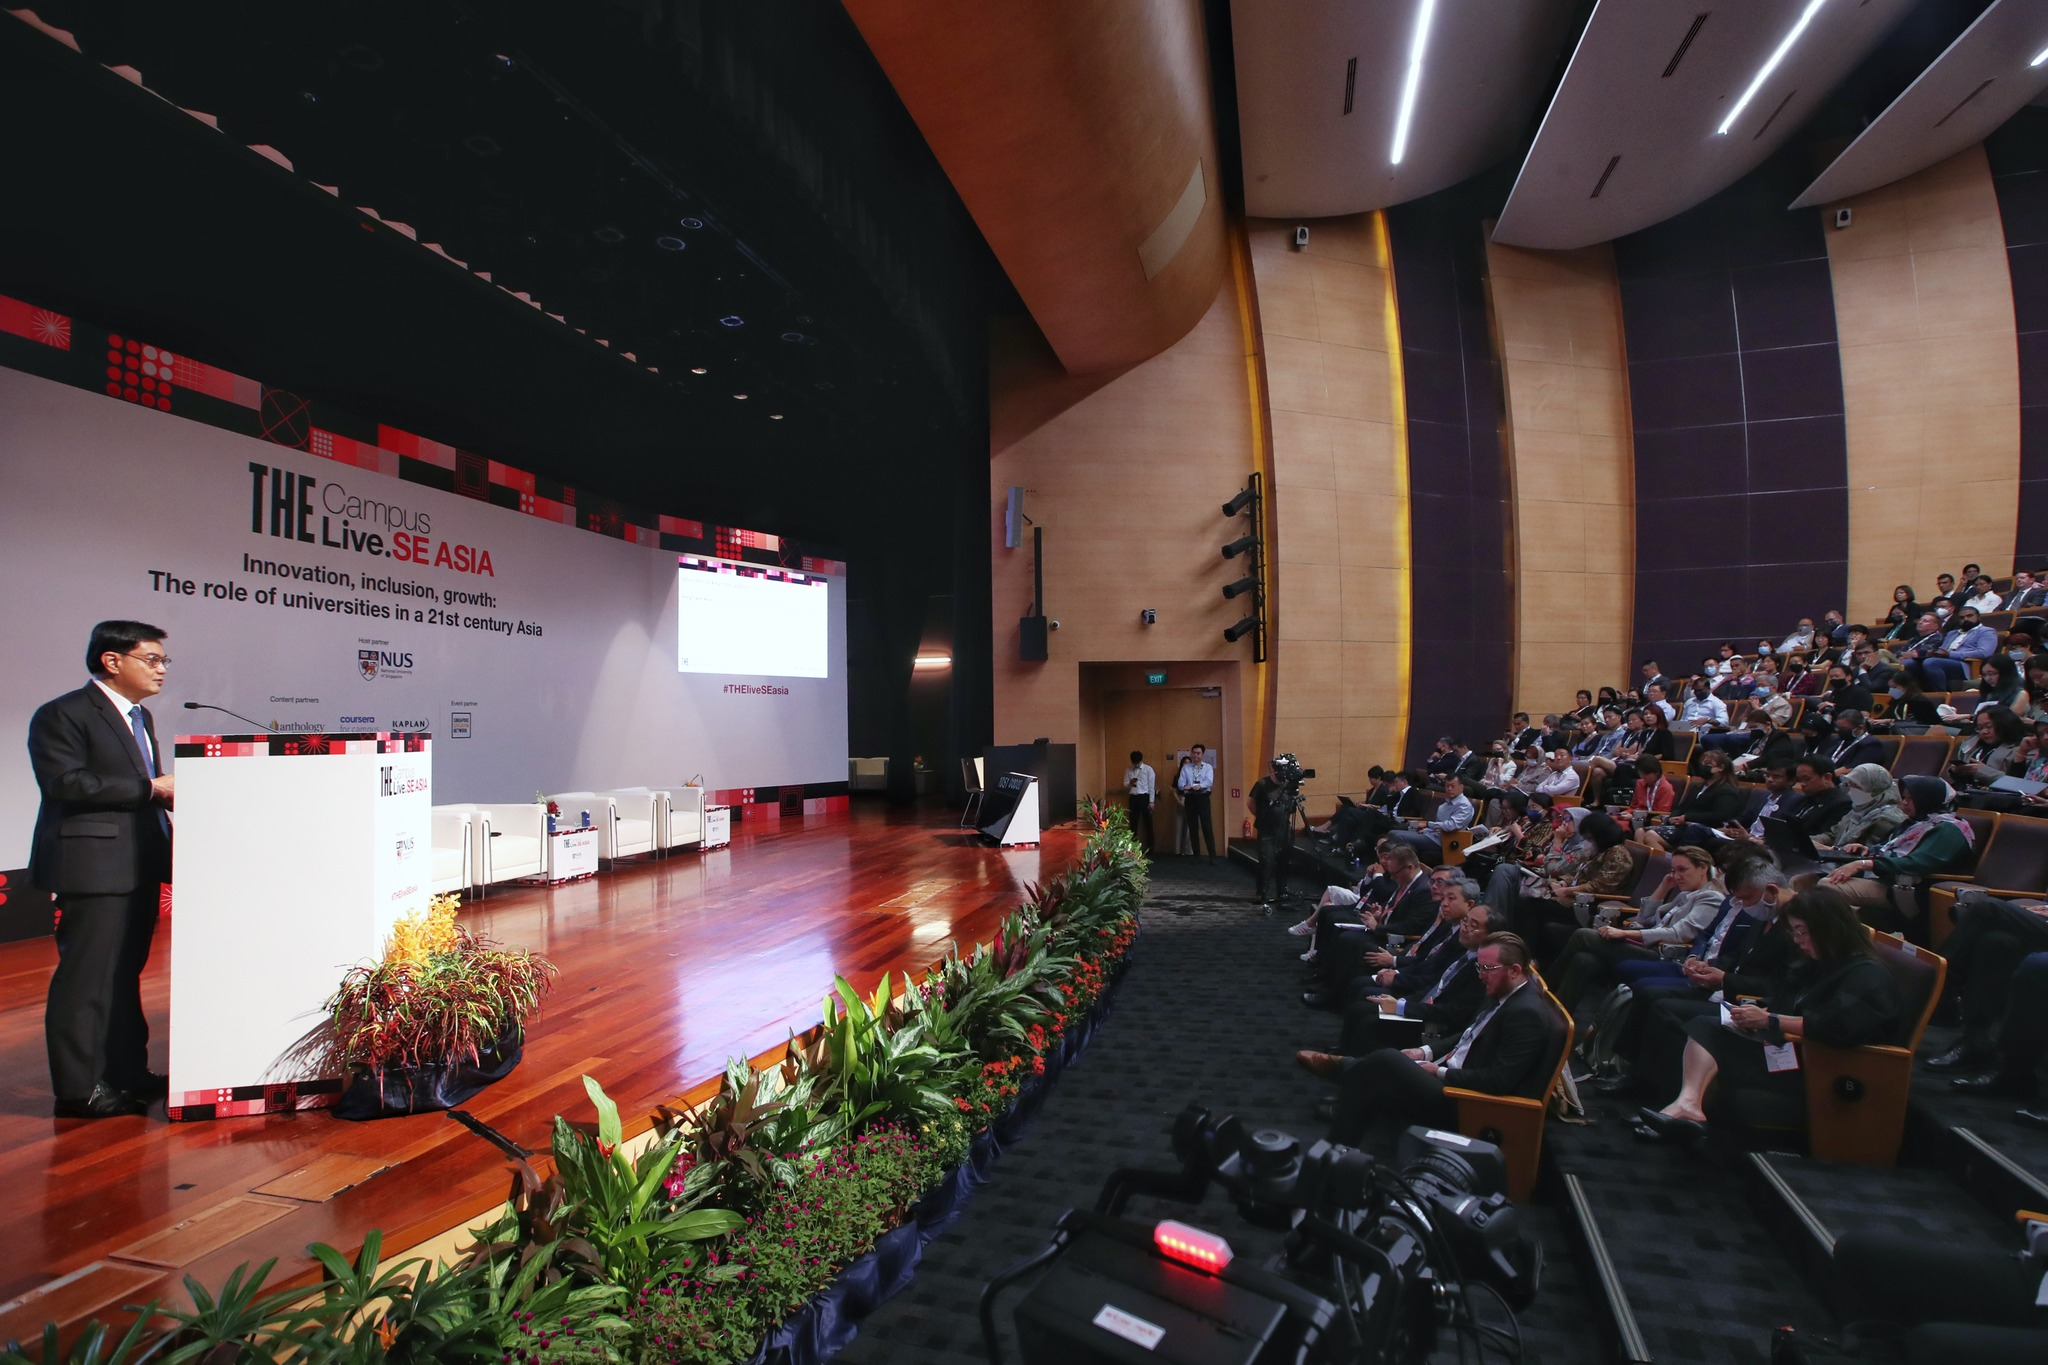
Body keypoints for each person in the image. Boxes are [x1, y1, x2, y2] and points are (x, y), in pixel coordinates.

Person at [28, 620, 177, 1119]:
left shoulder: (140, 716)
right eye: (151, 659)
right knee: (87, 979)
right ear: (112, 661)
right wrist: (151, 789)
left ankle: (126, 1072)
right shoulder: (63, 713)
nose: (161, 669)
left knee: (124, 974)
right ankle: (79, 1090)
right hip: (93, 867)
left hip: (139, 862)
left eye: (163, 660)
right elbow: (65, 782)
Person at [1635, 887, 1902, 1144]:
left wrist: (1770, 1020)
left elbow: (1833, 1027)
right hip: (1791, 1048)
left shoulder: (1867, 976)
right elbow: (1790, 1001)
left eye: (1802, 932)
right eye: (1795, 932)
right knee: (1705, 1027)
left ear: (1829, 928)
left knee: (1708, 1034)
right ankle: (1685, 1105)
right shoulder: (1821, 962)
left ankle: (1682, 1108)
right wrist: (1758, 1015)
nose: (1797, 940)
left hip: (1817, 1066)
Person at [1308, 934, 1564, 1146]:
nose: (1480, 975)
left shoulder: (1526, 1014)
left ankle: (1345, 1067)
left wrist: (1438, 1072)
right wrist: (1425, 1052)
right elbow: (1468, 1035)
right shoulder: (1503, 992)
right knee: (1373, 1081)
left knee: (1387, 1060)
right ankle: (1336, 1153)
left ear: (1515, 970)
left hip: (1463, 1100)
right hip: (1450, 1073)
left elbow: (1498, 1081)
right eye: (1479, 967)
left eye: (1487, 968)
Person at [1822, 774, 1975, 930]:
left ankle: (1846, 935)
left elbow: (1917, 863)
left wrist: (1863, 864)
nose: (1904, 802)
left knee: (1827, 886)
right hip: (1887, 877)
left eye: (1911, 799)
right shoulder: (1917, 822)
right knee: (1812, 876)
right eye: (1904, 797)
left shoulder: (1949, 830)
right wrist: (1868, 850)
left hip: (1910, 887)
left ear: (1927, 799)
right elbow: (1889, 847)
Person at [1248, 758, 1293, 908]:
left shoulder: (1288, 785)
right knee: (1266, 862)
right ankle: (1261, 893)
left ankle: (1282, 891)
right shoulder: (1262, 784)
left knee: (1283, 861)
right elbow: (1250, 803)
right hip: (1267, 830)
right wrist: (1262, 816)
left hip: (1284, 830)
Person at [1177, 742, 1217, 860]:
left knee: (1207, 827)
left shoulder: (1208, 767)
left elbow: (1209, 782)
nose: (1196, 755)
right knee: (1193, 828)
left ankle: (1212, 856)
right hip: (1190, 798)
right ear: (1191, 753)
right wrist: (1187, 786)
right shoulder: (1186, 768)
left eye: (1198, 753)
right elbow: (1180, 783)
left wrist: (1200, 786)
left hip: (1203, 798)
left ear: (1202, 754)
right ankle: (1196, 856)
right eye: (1194, 753)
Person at [1122, 749, 1155, 854]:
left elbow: (1151, 787)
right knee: (1133, 823)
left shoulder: (1148, 769)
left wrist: (1151, 801)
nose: (1135, 764)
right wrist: (1130, 783)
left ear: (1141, 760)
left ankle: (1151, 848)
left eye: (1137, 762)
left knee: (1148, 823)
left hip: (1144, 797)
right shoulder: (1129, 770)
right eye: (1134, 762)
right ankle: (1132, 849)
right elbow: (1125, 784)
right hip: (1133, 797)